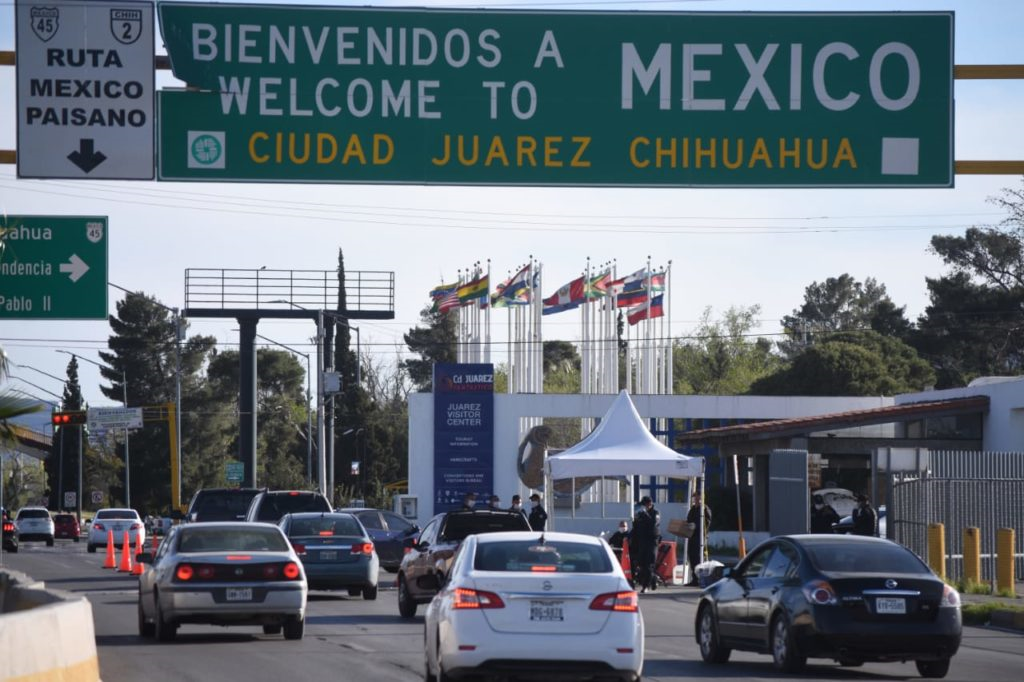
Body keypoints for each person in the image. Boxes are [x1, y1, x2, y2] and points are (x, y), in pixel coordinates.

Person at [631, 497, 659, 592]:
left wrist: (646, 514)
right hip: (642, 541)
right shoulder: (640, 514)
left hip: (651, 541)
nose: (643, 507)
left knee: (649, 564)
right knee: (641, 563)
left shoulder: (655, 513)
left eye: (644, 505)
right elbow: (636, 527)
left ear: (649, 504)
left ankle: (645, 586)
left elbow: (653, 524)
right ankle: (653, 578)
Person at [685, 492, 711, 586]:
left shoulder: (704, 509)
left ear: (701, 497)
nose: (695, 499)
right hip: (691, 536)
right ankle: (695, 579)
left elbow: (707, 522)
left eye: (697, 497)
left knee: (698, 557)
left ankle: (700, 579)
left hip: (699, 537)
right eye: (694, 497)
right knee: (691, 557)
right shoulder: (692, 509)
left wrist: (697, 526)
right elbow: (688, 520)